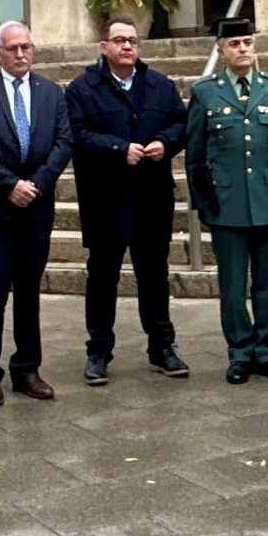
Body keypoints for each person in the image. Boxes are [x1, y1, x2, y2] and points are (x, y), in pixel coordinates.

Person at [65, 19, 190, 384]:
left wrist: (165, 143)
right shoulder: (82, 89)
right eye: (119, 40)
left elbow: (182, 125)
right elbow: (75, 135)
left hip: (152, 198)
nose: (126, 47)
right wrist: (119, 148)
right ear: (103, 46)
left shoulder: (160, 86)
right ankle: (98, 351)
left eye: (132, 41)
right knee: (102, 277)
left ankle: (161, 347)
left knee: (154, 275)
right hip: (105, 199)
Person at [0, 21, 73, 407]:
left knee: (29, 292)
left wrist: (35, 185)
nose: (20, 54)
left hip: (36, 209)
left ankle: (28, 368)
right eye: (12, 48)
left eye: (26, 47)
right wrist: (10, 185)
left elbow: (63, 142)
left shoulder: (51, 93)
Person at [187, 17, 268, 383]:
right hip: (226, 203)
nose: (243, 49)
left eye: (248, 42)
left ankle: (266, 351)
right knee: (233, 286)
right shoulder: (205, 92)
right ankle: (239, 352)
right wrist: (203, 203)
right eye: (235, 44)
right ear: (221, 50)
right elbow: (195, 155)